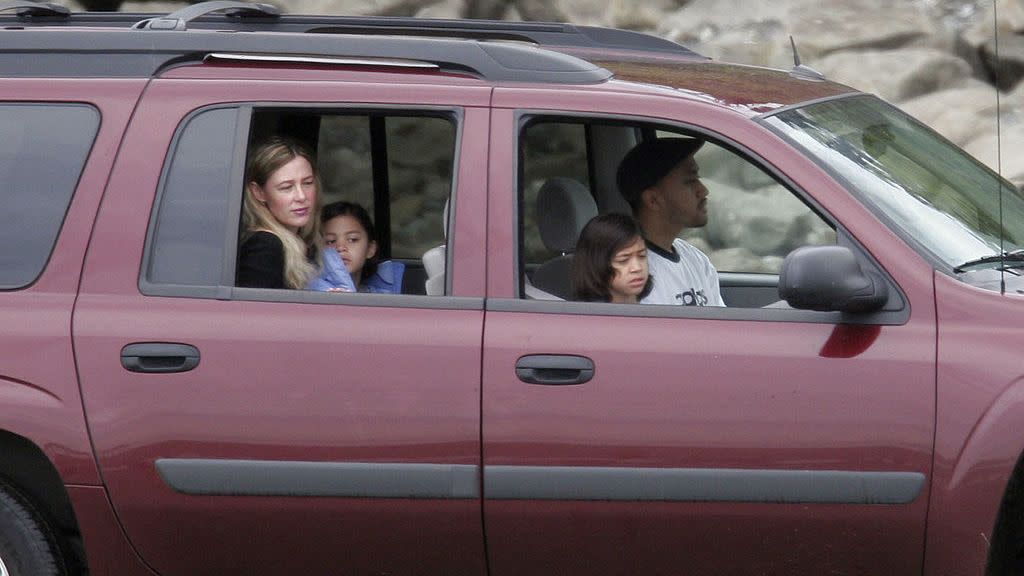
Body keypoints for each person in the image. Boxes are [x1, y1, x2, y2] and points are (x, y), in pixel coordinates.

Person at [616, 136, 725, 307]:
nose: (703, 190)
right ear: (653, 200)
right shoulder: (631, 275)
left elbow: (722, 329)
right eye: (690, 181)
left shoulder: (696, 260)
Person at [237, 136, 323, 289]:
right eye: (286, 187)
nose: (301, 196)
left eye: (308, 183)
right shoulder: (264, 247)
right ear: (258, 192)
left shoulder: (305, 242)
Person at [313, 201, 405, 294]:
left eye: (352, 239)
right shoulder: (311, 291)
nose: (340, 247)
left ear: (370, 249)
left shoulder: (384, 293)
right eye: (330, 241)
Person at [571, 213, 653, 303]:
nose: (637, 268)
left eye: (642, 256)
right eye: (623, 260)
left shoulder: (657, 309)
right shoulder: (585, 315)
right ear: (597, 265)